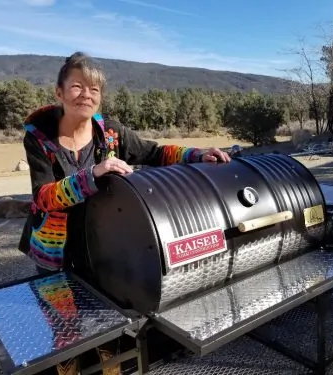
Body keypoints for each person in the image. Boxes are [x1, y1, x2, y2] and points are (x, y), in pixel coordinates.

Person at [18, 51, 231, 375]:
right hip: (55, 250)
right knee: (64, 326)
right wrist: (92, 175)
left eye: (94, 89)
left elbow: (155, 152)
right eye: (77, 86)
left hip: (103, 245)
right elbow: (44, 198)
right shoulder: (40, 138)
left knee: (109, 322)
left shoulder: (111, 133)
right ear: (59, 93)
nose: (86, 95)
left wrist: (197, 155)